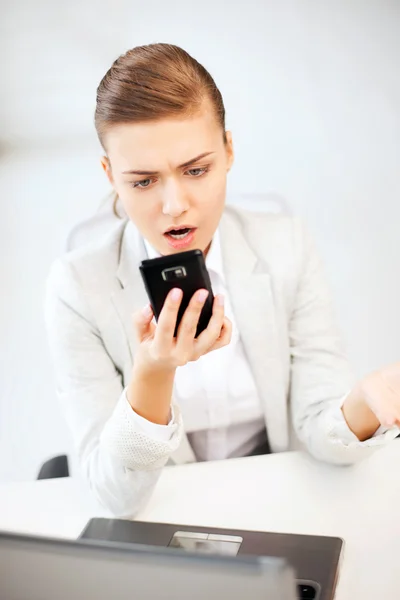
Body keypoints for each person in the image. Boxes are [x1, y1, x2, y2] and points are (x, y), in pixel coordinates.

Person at [45, 43, 400, 518]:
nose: (174, 205)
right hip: (165, 512)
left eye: (196, 170)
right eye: (143, 181)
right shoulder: (76, 288)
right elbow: (114, 497)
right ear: (110, 175)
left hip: (277, 501)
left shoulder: (285, 246)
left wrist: (366, 401)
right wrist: (154, 372)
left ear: (228, 150)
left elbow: (321, 426)